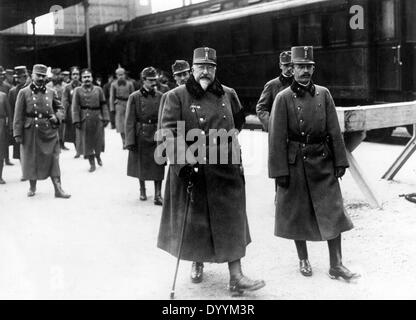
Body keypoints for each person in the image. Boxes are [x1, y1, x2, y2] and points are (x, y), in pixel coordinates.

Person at [157, 47, 265, 294]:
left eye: (210, 67)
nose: (205, 72)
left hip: (225, 169)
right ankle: (197, 262)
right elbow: (169, 133)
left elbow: (238, 122)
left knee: (231, 221)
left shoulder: (228, 94)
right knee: (196, 221)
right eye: (200, 67)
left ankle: (236, 276)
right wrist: (184, 164)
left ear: (216, 69)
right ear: (192, 69)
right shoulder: (176, 96)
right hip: (193, 170)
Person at [268, 46, 359, 280]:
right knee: (298, 212)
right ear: (292, 69)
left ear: (313, 69)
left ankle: (336, 264)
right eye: (300, 67)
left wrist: (340, 160)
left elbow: (334, 130)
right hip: (296, 162)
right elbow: (276, 138)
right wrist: (279, 172)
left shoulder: (324, 94)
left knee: (334, 211)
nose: (305, 71)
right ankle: (303, 259)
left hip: (323, 159)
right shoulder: (283, 98)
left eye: (309, 67)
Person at [13, 64, 70, 198]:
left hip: (49, 130)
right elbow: (18, 114)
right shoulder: (24, 92)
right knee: (31, 159)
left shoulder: (51, 91)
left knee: (54, 159)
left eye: (43, 76)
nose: (40, 78)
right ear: (32, 75)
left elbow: (61, 108)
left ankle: (58, 188)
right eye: (38, 75)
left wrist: (57, 117)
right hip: (31, 131)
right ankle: (32, 186)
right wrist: (17, 133)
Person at [125, 67, 165, 205]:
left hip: (157, 134)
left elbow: (165, 117)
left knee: (158, 163)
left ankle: (158, 194)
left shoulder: (161, 96)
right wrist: (129, 140)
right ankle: (142, 190)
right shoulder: (134, 97)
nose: (154, 83)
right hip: (141, 134)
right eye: (151, 80)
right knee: (141, 164)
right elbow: (129, 120)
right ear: (143, 80)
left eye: (155, 80)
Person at [72, 68, 109, 172]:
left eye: (88, 77)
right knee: (87, 142)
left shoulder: (98, 89)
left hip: (98, 118)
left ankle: (98, 155)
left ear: (92, 78)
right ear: (81, 78)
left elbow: (103, 104)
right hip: (85, 118)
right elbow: (75, 107)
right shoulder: (77, 90)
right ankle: (92, 163)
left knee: (98, 140)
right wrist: (76, 120)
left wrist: (106, 117)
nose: (86, 79)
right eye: (84, 77)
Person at [256, 51, 293, 132]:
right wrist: (271, 127)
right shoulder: (272, 85)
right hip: (279, 131)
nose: (290, 68)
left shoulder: (298, 83)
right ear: (280, 66)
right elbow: (261, 108)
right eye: (286, 65)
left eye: (292, 65)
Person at [8, 66, 30, 163]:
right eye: (16, 77)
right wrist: (13, 125)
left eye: (19, 77)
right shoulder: (12, 91)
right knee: (20, 147)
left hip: (31, 122)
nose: (17, 80)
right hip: (19, 123)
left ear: (25, 77)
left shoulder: (32, 89)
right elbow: (11, 110)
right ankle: (24, 170)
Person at [109, 66, 134, 148]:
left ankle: (128, 140)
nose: (121, 76)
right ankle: (123, 141)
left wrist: (134, 106)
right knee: (120, 125)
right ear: (116, 75)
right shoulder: (113, 84)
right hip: (119, 105)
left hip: (128, 104)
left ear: (125, 75)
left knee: (129, 123)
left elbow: (133, 95)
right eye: (119, 75)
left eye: (122, 74)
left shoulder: (130, 84)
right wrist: (112, 108)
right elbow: (112, 97)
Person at [62, 66, 82, 158]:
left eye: (77, 74)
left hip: (82, 110)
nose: (75, 76)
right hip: (71, 111)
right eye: (73, 74)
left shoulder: (82, 85)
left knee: (83, 130)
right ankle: (78, 151)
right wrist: (64, 113)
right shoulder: (67, 87)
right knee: (74, 132)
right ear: (71, 75)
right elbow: (65, 101)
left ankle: (84, 149)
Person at [47, 68, 68, 150]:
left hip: (62, 108)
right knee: (53, 126)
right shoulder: (48, 85)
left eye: (58, 75)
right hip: (52, 108)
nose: (57, 77)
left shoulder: (65, 85)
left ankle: (62, 142)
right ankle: (55, 143)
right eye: (55, 75)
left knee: (62, 127)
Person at [0, 90, 11, 184]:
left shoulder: (3, 96)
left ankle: (0, 176)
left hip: (1, 125)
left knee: (0, 152)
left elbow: (9, 113)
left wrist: (10, 127)